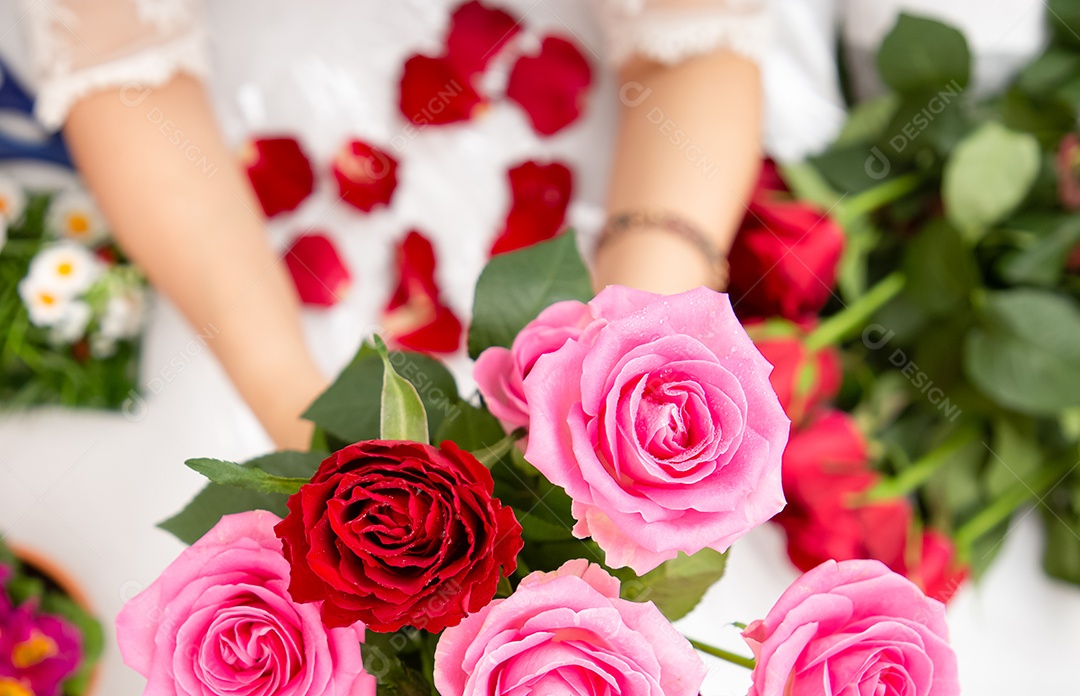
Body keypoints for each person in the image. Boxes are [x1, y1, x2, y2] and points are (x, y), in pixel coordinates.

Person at [13, 0, 1045, 447]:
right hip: (219, 143)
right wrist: (298, 405)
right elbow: (117, 72)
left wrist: (633, 332)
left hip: (611, 130)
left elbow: (692, 44)